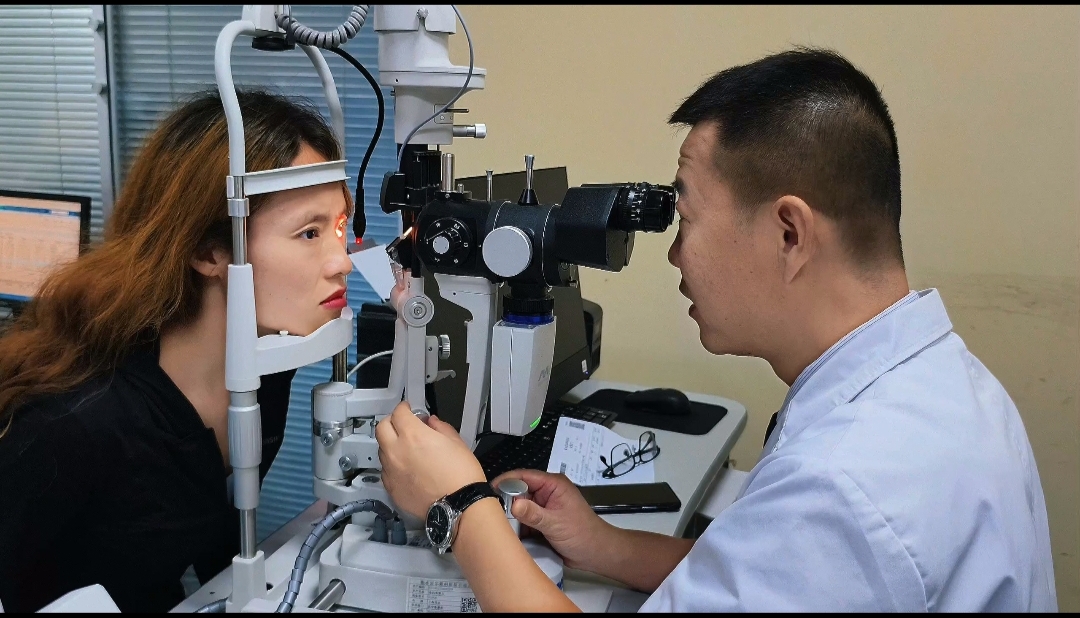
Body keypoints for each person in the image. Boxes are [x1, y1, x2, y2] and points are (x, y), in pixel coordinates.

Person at [374, 47, 1058, 612]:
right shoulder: (944, 383)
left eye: (688, 220)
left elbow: (816, 547)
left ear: (789, 233)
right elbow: (779, 581)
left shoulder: (846, 483)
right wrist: (608, 546)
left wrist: (462, 507)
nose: (675, 254)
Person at [0, 89, 354, 613]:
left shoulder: (265, 370)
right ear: (209, 251)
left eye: (340, 227)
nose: (342, 261)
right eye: (309, 233)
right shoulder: (72, 427)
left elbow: (214, 535)